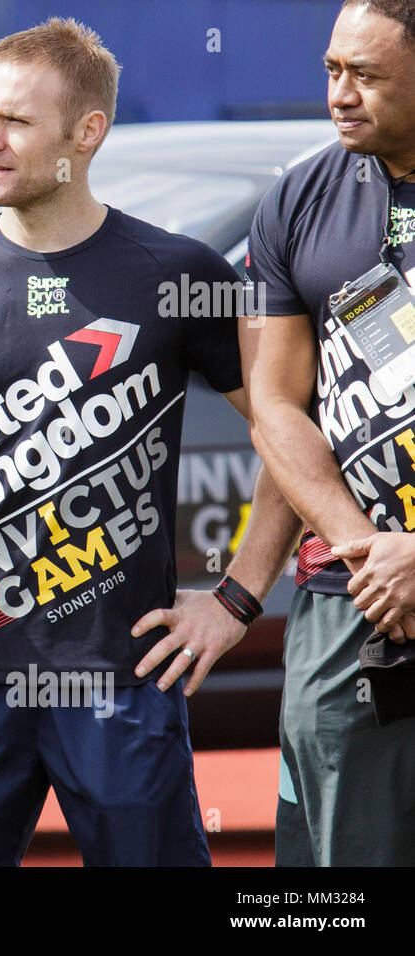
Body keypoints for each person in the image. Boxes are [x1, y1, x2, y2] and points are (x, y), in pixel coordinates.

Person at [0, 18, 303, 866]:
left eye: (15, 121)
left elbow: (289, 428)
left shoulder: (182, 276)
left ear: (86, 133)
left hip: (122, 676)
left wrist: (237, 598)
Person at [240, 0, 415, 866]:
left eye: (369, 75)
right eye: (332, 70)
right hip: (353, 600)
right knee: (333, 871)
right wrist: (368, 549)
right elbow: (276, 405)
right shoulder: (300, 197)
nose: (341, 94)